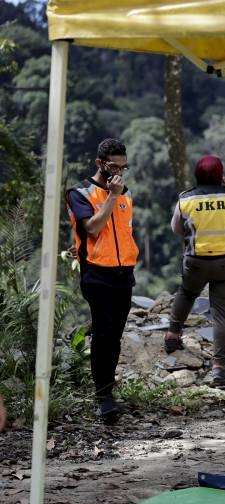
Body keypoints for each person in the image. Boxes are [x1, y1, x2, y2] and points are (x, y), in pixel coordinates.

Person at [65, 138, 138, 424]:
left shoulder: (125, 193)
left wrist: (118, 195)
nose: (118, 171)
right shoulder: (79, 193)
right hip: (96, 274)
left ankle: (108, 390)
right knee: (105, 334)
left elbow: (124, 232)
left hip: (124, 274)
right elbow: (93, 229)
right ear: (99, 164)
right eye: (113, 166)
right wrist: (111, 196)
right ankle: (104, 397)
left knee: (114, 335)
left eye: (123, 166)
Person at [163, 155, 225, 386]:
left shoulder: (186, 199)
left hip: (196, 261)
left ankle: (172, 335)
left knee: (187, 293)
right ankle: (219, 368)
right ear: (220, 174)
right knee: (222, 313)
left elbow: (176, 228)